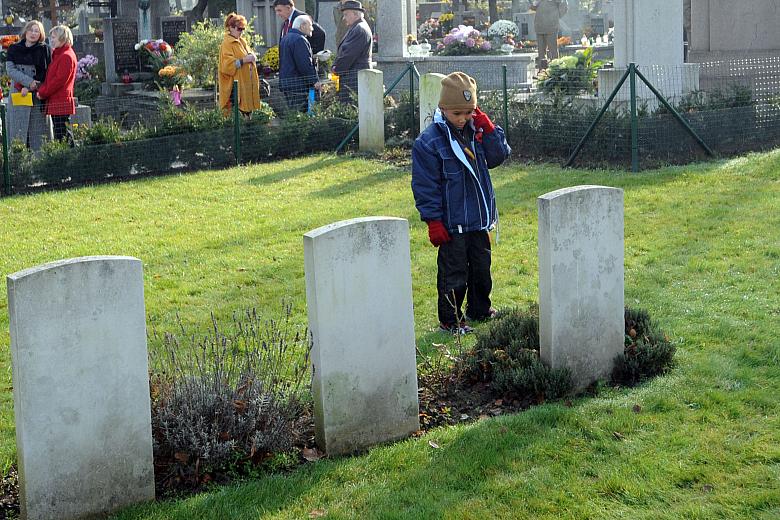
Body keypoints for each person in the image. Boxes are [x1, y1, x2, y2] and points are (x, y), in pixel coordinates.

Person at [411, 72, 511, 334]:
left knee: (481, 269)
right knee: (453, 275)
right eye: (457, 113)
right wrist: (433, 220)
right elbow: (425, 186)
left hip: (478, 219)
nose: (463, 118)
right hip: (451, 223)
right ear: (442, 108)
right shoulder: (429, 142)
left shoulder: (478, 132)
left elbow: (498, 156)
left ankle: (479, 309)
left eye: (469, 112)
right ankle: (451, 320)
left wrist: (488, 128)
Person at [5, 20, 51, 150]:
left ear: (41, 34)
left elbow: (46, 71)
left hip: (37, 95)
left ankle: (40, 163)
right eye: (31, 30)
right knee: (17, 132)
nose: (33, 33)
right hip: (18, 94)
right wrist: (27, 82)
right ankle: (16, 161)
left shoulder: (44, 49)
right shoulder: (14, 48)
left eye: (37, 31)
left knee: (39, 134)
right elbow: (11, 70)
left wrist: (33, 85)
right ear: (26, 31)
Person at [36, 25, 77, 144]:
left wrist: (43, 92)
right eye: (51, 37)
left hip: (60, 102)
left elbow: (58, 81)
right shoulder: (60, 54)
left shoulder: (66, 56)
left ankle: (69, 159)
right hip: (57, 101)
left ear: (63, 38)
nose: (51, 40)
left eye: (54, 37)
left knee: (63, 135)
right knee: (61, 134)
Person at [218, 12, 261, 117]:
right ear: (231, 28)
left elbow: (248, 53)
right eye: (239, 29)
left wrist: (252, 55)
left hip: (246, 83)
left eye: (243, 29)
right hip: (234, 86)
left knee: (248, 112)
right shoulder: (227, 43)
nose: (241, 32)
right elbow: (227, 66)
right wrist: (244, 60)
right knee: (237, 113)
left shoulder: (242, 41)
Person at [331, 0, 372, 103]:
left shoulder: (359, 29)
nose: (344, 18)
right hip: (352, 77)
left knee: (351, 109)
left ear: (355, 14)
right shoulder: (356, 27)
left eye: (346, 14)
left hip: (354, 78)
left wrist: (336, 69)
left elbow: (348, 55)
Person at [279, 15, 321, 113]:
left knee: (293, 114)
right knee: (300, 115)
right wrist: (314, 81)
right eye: (310, 25)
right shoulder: (300, 39)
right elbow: (304, 64)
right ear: (302, 26)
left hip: (288, 83)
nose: (312, 28)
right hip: (298, 85)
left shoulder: (286, 38)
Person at [531, 0, 568, 70]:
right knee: (541, 53)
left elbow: (564, 6)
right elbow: (533, 7)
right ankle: (542, 72)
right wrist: (535, 3)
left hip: (551, 26)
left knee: (553, 51)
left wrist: (556, 15)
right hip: (539, 26)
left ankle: (556, 71)